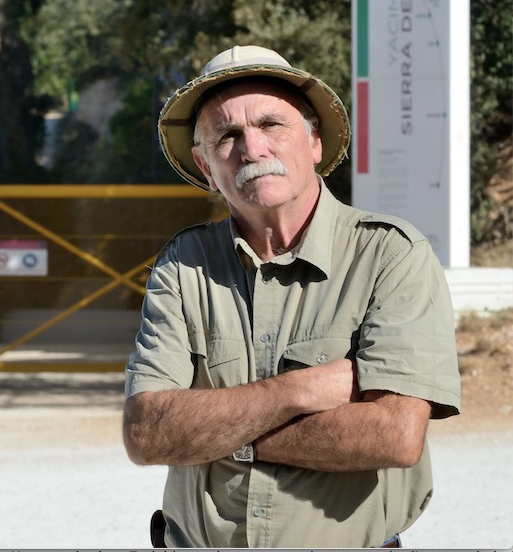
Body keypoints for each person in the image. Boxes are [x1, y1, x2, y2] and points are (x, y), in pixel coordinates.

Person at [123, 45, 461, 549]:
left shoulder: (390, 255)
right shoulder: (182, 265)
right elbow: (148, 434)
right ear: (205, 163)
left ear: (314, 141)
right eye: (228, 134)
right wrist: (298, 392)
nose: (252, 148)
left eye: (271, 125)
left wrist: (217, 436)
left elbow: (393, 434)